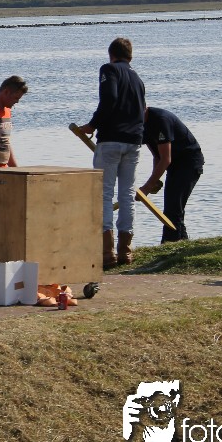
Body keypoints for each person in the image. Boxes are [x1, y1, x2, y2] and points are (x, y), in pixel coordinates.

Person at [79, 37, 146, 269]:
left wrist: (92, 125)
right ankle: (125, 251)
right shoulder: (137, 77)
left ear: (111, 55)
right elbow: (142, 109)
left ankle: (107, 253)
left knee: (104, 194)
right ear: (130, 56)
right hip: (134, 141)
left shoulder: (109, 69)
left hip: (111, 140)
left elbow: (110, 98)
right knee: (127, 195)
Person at [139, 107, 205, 243]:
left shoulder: (161, 120)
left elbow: (165, 159)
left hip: (189, 162)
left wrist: (147, 187)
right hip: (174, 165)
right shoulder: (141, 124)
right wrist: (155, 180)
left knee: (173, 208)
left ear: (143, 108)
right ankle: (182, 242)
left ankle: (169, 243)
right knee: (173, 207)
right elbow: (157, 155)